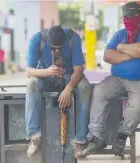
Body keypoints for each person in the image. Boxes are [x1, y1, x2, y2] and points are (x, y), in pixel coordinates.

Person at [82, 1, 140, 157]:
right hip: (118, 79)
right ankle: (96, 137)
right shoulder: (120, 34)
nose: (129, 19)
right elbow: (107, 56)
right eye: (126, 16)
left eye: (133, 16)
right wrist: (134, 53)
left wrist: (121, 48)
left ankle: (122, 134)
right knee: (99, 90)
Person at [25, 25, 92, 158]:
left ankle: (80, 141)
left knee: (85, 87)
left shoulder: (73, 38)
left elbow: (79, 68)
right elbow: (29, 71)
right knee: (32, 84)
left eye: (60, 47)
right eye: (54, 47)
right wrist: (47, 72)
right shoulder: (37, 40)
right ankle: (34, 137)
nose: (57, 50)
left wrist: (69, 88)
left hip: (69, 77)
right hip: (47, 76)